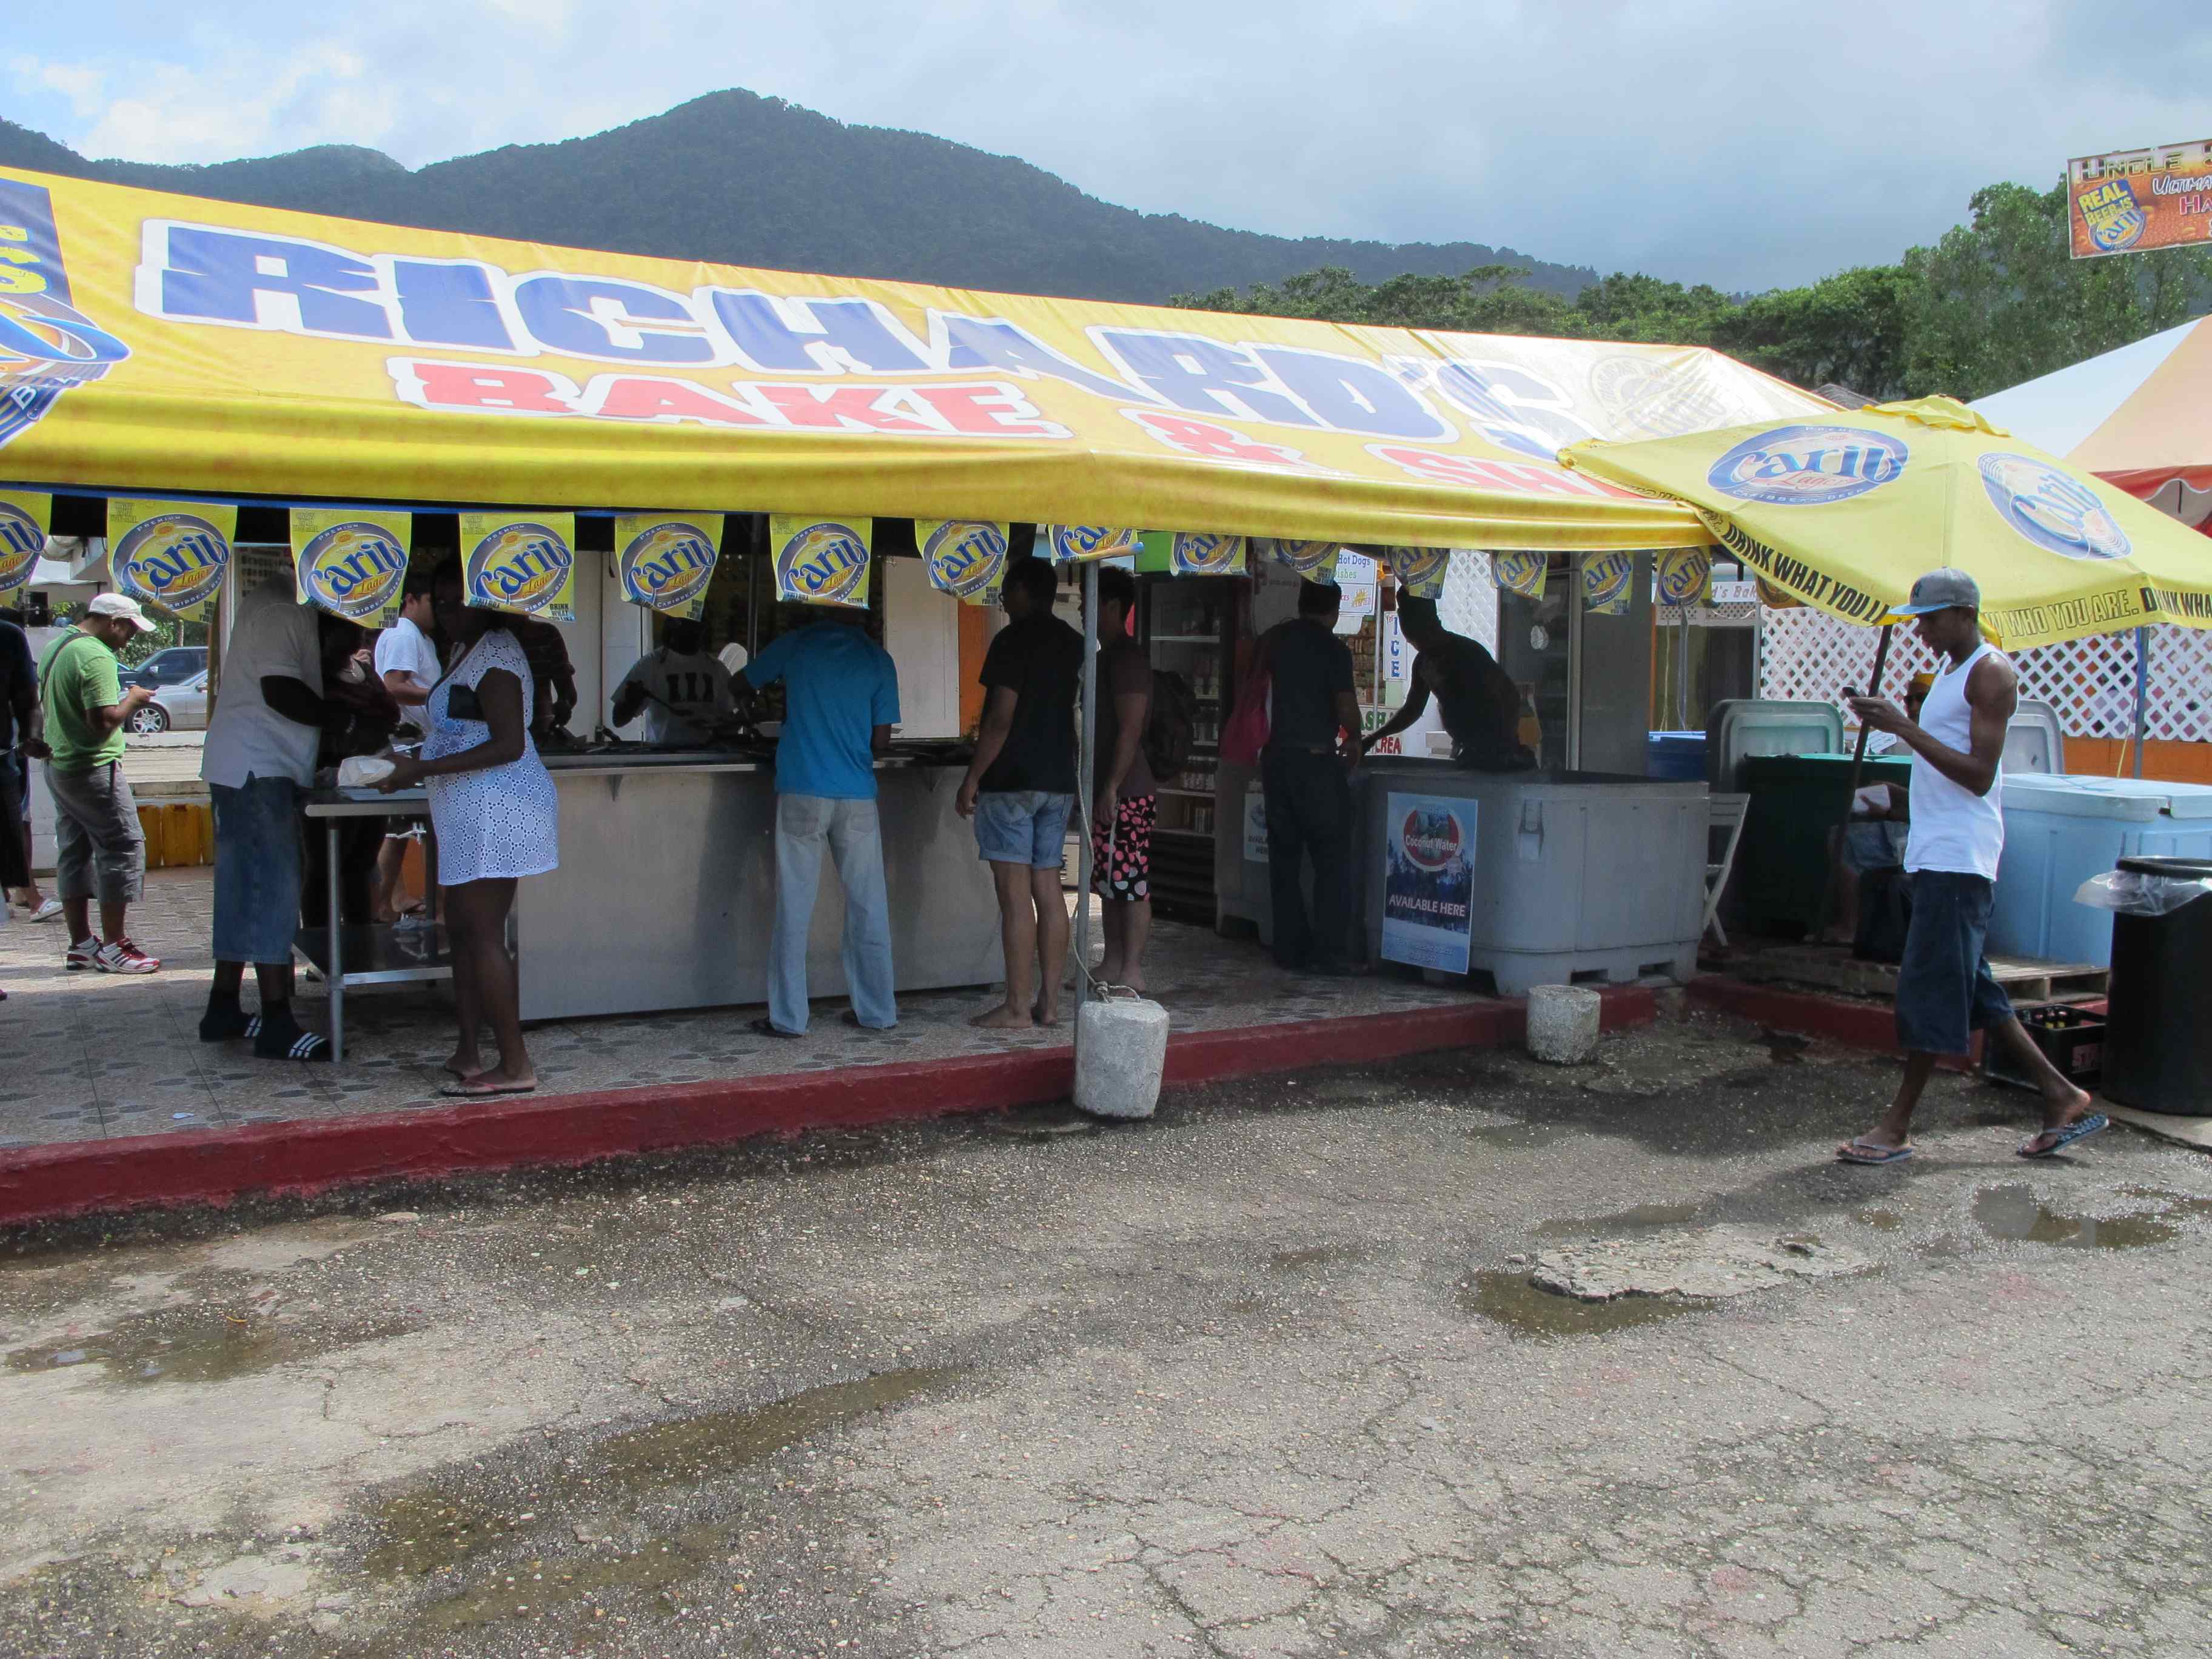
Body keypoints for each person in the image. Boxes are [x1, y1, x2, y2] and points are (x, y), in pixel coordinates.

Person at [1839, 569, 2103, 1165]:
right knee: (1971, 987)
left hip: (1961, 859)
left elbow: (1980, 773)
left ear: (1964, 612)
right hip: (1937, 852)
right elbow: (1943, 769)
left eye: (1931, 620)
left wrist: (1902, 728)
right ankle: (2060, 1093)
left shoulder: (1990, 672)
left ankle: (1897, 1125)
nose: (1923, 633)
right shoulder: (1953, 675)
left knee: (1930, 988)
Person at [377, 560, 558, 1097]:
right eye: (442, 601)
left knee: (482, 934)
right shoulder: (461, 651)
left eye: (461, 602)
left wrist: (421, 768)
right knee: (460, 929)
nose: (450, 612)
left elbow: (510, 743)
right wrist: (410, 755)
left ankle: (515, 1064)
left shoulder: (499, 653)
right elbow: (460, 728)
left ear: (487, 603)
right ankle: (468, 1050)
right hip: (466, 810)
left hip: (496, 808)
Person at [738, 604, 900, 1036]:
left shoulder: (797, 644)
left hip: (802, 789)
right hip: (857, 796)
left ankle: (789, 1018)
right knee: (869, 906)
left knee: (794, 906)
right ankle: (878, 1011)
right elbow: (881, 739)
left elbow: (740, 684)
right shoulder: (877, 659)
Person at [198, 577, 333, 1059]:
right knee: (271, 887)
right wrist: (342, 716)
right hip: (258, 767)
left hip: (243, 765)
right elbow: (280, 691)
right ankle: (277, 1021)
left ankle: (223, 1007)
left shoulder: (269, 601)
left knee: (242, 888)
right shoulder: (285, 611)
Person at [956, 555, 1082, 1029]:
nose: (1004, 599)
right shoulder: (1072, 642)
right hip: (1057, 780)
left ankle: (1016, 1008)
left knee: (1014, 896)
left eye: (1008, 589)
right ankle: (1049, 1006)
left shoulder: (1011, 641)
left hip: (1011, 782)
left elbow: (1000, 718)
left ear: (1027, 591)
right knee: (1048, 890)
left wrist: (972, 778)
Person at [38, 593, 160, 974]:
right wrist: (134, 699)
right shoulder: (96, 655)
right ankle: (115, 946)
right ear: (113, 623)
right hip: (93, 769)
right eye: (131, 629)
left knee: (74, 852)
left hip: (61, 766)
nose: (131, 639)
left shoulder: (59, 645)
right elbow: (103, 721)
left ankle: (81, 944)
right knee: (122, 847)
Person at [1256, 579, 1362, 976]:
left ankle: (1289, 947)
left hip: (1275, 761)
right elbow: (1347, 708)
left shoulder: (1275, 640)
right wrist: (1355, 735)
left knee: (1284, 859)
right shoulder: (1333, 650)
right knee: (1332, 859)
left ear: (1300, 603)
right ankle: (1330, 950)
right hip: (1316, 764)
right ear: (1334, 610)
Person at [1362, 595, 1533, 771]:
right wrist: (1373, 738)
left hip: (1495, 753)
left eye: (1415, 633)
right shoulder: (1423, 663)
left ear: (1430, 622)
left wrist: (1505, 742)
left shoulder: (1467, 653)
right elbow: (1412, 710)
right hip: (1468, 751)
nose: (1413, 641)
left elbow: (1510, 696)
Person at [1823, 672, 1933, 945]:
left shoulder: (1935, 743)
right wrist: (1893, 792)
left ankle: (1851, 926)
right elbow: (1926, 798)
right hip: (1922, 830)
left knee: (1843, 840)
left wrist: (1887, 812)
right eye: (1910, 700)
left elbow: (1933, 810)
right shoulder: (1925, 741)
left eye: (1923, 698)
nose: (1915, 706)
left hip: (1927, 839)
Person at [308, 614, 401, 931]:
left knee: (361, 863)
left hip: (370, 777)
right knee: (325, 866)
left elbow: (391, 712)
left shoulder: (363, 671)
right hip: (331, 779)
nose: (357, 636)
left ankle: (360, 936)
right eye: (348, 630)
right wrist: (359, 719)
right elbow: (335, 719)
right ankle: (322, 944)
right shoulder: (316, 676)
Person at [1089, 567, 1156, 992]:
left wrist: (1113, 784)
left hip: (1128, 791)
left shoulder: (1127, 659)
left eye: (1090, 602)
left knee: (1130, 880)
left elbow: (1130, 728)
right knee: (1109, 880)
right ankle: (1112, 960)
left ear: (1112, 606)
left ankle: (1132, 966)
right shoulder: (1104, 658)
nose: (1083, 611)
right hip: (1109, 788)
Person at [372, 571, 442, 925]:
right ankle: (383, 904)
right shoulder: (403, 634)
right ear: (411, 599)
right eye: (433, 601)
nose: (439, 609)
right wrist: (442, 695)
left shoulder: (422, 638)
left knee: (402, 830)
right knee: (399, 828)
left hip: (421, 740)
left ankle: (390, 902)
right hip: (408, 741)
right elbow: (393, 686)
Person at [0, 608, 59, 922]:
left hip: (8, 758)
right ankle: (29, 894)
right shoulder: (11, 638)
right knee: (19, 824)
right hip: (9, 758)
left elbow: (27, 700)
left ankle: (26, 892)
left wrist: (31, 737)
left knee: (19, 823)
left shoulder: (10, 639)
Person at [612, 618, 737, 746]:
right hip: (663, 757)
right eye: (686, 624)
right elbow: (618, 719)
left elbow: (730, 720)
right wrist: (632, 701)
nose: (695, 630)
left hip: (708, 756)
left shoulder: (716, 668)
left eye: (698, 625)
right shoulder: (650, 664)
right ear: (674, 626)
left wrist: (723, 727)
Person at [512, 617, 578, 741]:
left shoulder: (546, 633)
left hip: (540, 734)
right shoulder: (546, 633)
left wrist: (563, 706)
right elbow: (568, 692)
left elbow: (568, 693)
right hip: (537, 732)